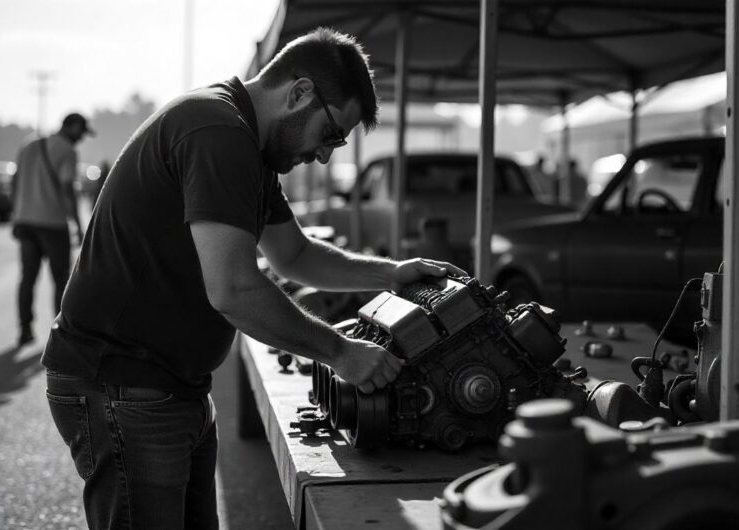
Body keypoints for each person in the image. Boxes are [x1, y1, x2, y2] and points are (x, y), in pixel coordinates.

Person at [41, 28, 465, 530]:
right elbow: (234, 290)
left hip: (169, 387)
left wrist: (390, 274)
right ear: (299, 93)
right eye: (330, 134)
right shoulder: (217, 132)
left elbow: (294, 255)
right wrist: (341, 352)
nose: (325, 156)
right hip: (123, 385)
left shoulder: (250, 147)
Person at [12, 112, 91, 345]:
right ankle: (60, 334)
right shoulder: (67, 151)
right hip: (52, 223)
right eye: (81, 132)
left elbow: (15, 182)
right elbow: (67, 190)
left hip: (25, 221)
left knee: (28, 277)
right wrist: (78, 225)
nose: (81, 138)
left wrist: (17, 214)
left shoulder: (29, 144)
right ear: (72, 126)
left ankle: (25, 329)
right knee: (61, 279)